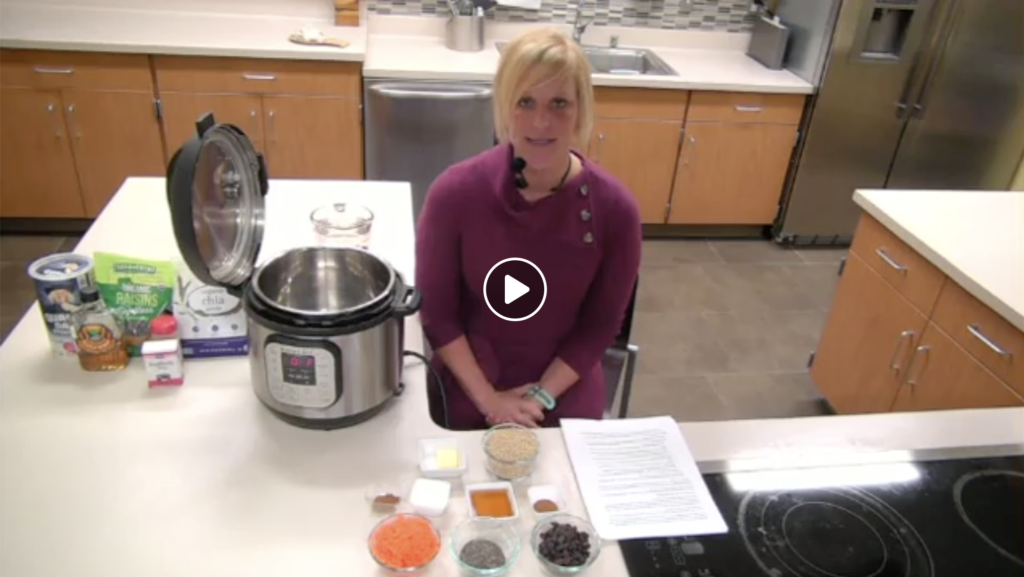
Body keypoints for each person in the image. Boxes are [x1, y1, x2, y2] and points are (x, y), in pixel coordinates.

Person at [414, 27, 642, 430]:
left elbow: (600, 326)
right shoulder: (453, 194)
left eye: (559, 103)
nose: (541, 122)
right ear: (503, 106)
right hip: (470, 386)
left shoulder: (616, 211)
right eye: (525, 102)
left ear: (581, 111)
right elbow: (438, 315)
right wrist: (491, 401)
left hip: (563, 393)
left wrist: (538, 398)